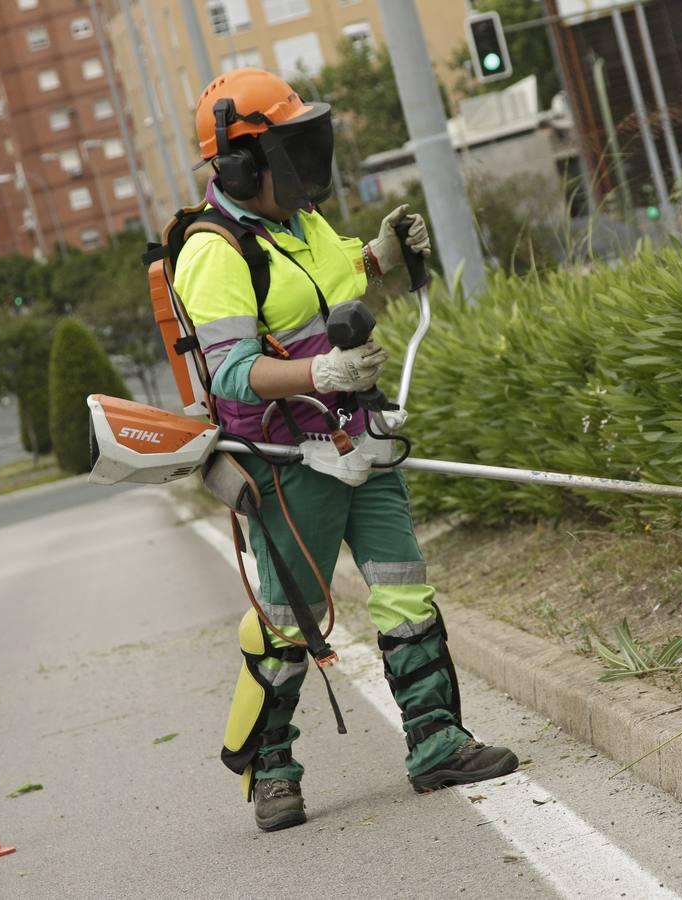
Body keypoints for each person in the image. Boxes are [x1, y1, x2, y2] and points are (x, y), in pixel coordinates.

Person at [170, 68, 518, 833]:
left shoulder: (304, 222)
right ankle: (270, 771)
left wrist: (382, 254)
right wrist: (320, 371)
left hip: (360, 433)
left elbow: (328, 284)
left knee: (403, 588)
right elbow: (231, 369)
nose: (305, 161)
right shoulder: (213, 250)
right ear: (239, 163)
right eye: (288, 146)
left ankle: (436, 742)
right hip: (289, 461)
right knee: (291, 620)